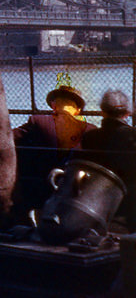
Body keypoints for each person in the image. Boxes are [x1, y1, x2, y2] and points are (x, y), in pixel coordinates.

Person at [82, 90, 136, 230]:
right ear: (128, 113)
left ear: (102, 111)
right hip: (129, 203)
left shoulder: (89, 137)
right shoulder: (132, 136)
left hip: (95, 201)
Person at [13, 84, 93, 150]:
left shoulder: (38, 121)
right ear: (77, 111)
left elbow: (13, 136)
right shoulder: (89, 129)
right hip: (75, 168)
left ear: (53, 106)